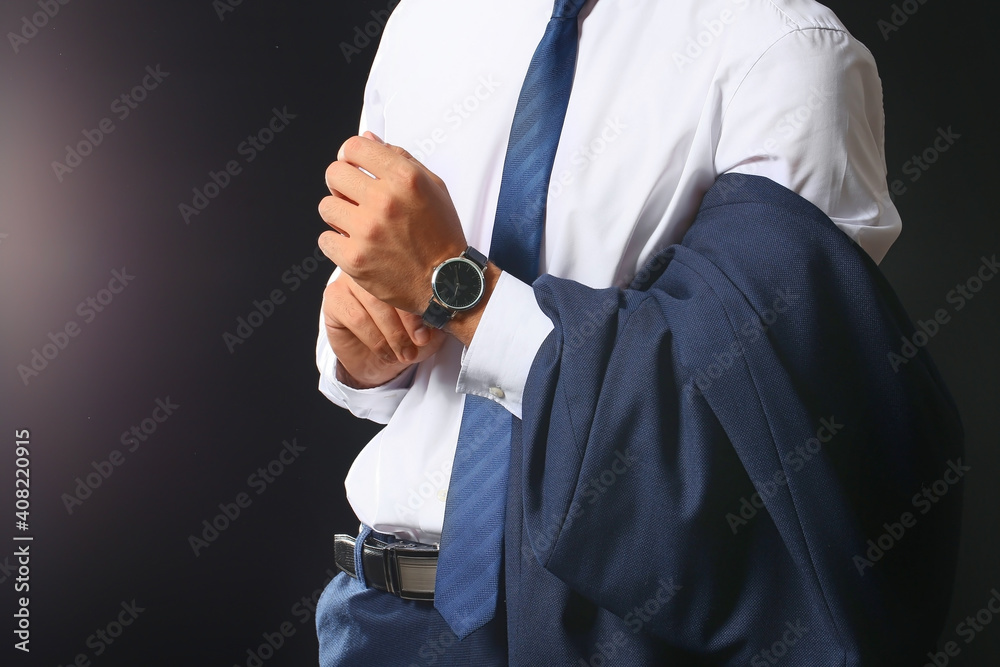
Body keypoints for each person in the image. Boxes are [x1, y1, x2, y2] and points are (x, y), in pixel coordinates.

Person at [312, 0, 963, 664]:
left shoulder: (786, 45)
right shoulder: (427, 20)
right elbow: (405, 371)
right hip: (385, 619)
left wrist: (456, 286)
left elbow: (764, 422)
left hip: (621, 631)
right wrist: (362, 350)